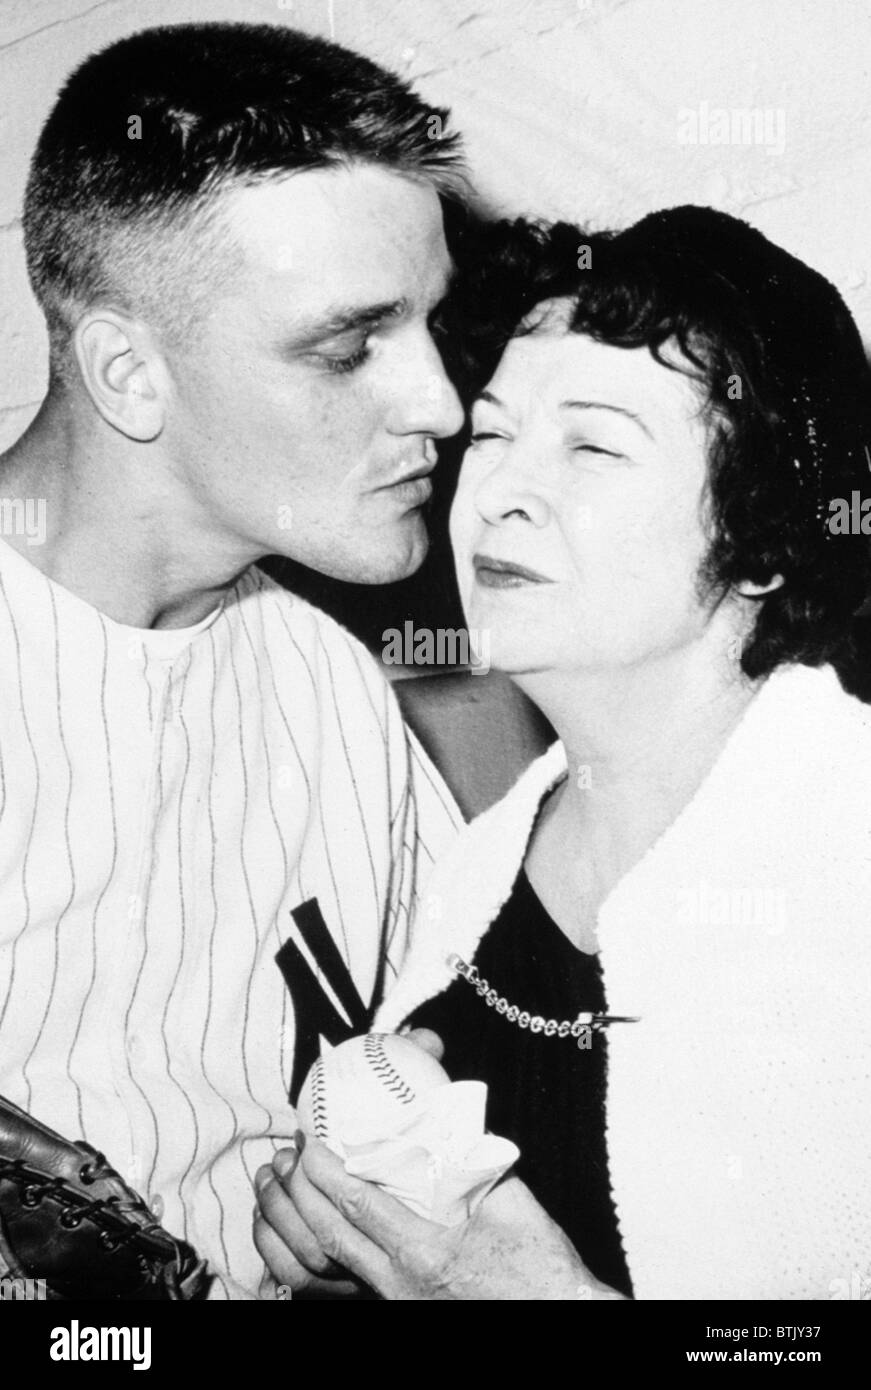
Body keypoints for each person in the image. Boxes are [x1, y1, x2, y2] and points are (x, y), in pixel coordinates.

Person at [255, 207, 871, 1300]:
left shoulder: (846, 868)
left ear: (761, 536)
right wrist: (353, 1250)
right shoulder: (477, 866)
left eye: (590, 443)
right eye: (490, 434)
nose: (498, 492)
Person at [0, 21, 470, 1299]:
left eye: (430, 323)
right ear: (127, 373)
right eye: (346, 344)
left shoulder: (330, 682)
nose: (439, 401)